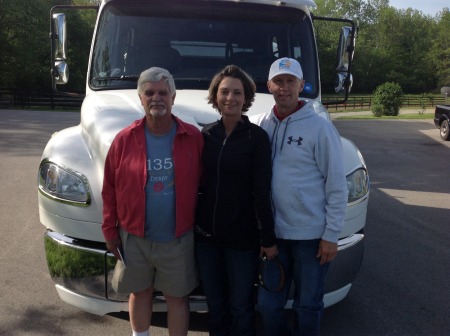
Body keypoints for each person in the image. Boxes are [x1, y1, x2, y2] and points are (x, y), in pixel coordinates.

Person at [101, 67, 204, 336]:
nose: (156, 98)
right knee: (140, 292)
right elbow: (109, 189)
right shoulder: (124, 140)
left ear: (173, 97)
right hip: (135, 238)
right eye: (149, 93)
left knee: (177, 298)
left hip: (177, 238)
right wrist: (110, 231)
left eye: (163, 92)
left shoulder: (193, 137)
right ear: (141, 98)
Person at [254, 58, 348, 336]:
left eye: (290, 82)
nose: (284, 88)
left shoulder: (319, 128)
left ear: (301, 85)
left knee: (308, 305)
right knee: (269, 304)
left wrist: (331, 234)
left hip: (312, 239)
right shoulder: (260, 125)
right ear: (269, 85)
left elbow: (336, 185)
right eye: (279, 82)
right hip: (274, 237)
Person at [195, 64, 278, 336]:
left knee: (241, 306)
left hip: (242, 240)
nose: (230, 98)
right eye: (224, 91)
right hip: (207, 237)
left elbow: (261, 190)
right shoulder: (206, 135)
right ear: (215, 96)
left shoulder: (257, 138)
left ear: (246, 98)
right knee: (215, 304)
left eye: (237, 93)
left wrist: (267, 238)